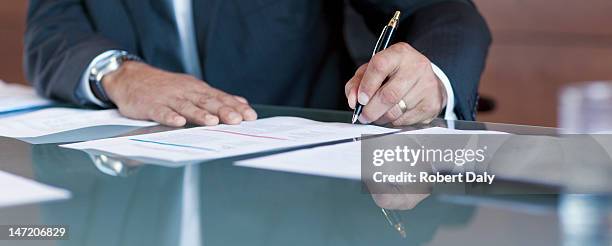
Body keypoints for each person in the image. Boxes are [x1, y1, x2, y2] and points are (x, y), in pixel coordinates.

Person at [24, 0, 490, 127]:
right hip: (132, 180)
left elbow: (442, 10)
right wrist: (121, 74)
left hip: (303, 194)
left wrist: (433, 74)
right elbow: (49, 30)